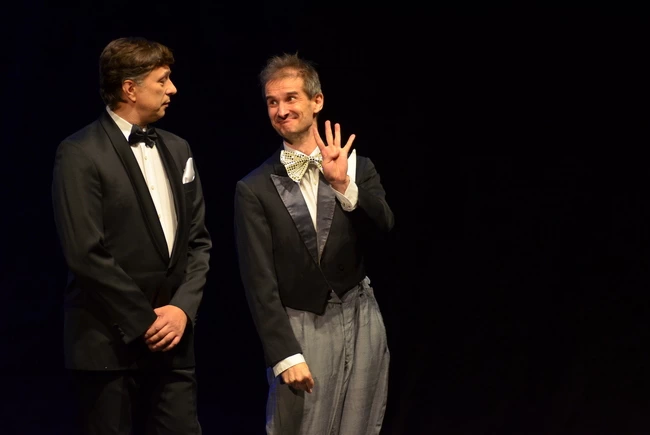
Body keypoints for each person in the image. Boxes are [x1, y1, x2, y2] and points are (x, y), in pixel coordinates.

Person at [51, 36, 212, 435]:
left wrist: (181, 310)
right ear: (130, 88)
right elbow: (85, 252)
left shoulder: (178, 148)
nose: (172, 89)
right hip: (108, 346)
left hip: (174, 343)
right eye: (163, 80)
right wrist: (144, 321)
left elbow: (198, 242)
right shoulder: (80, 152)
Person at [233, 52, 395, 434]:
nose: (281, 110)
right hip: (302, 326)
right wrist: (284, 354)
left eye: (290, 98)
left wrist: (344, 185)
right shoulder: (254, 188)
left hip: (361, 314)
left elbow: (385, 229)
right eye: (272, 102)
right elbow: (258, 282)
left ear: (316, 101)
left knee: (361, 425)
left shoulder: (356, 166)